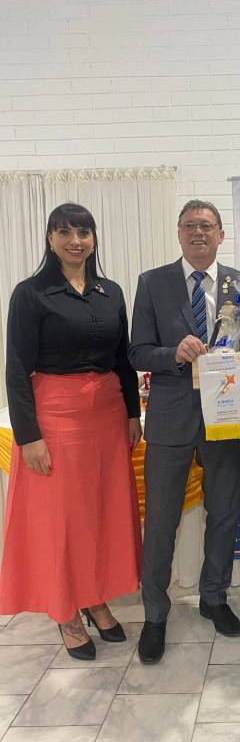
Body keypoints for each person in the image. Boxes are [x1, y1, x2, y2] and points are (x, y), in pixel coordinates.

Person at [0, 203, 142, 660]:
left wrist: (132, 413)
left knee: (99, 513)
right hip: (56, 417)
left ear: (94, 239)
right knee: (61, 520)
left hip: (106, 416)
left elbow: (123, 359)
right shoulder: (30, 293)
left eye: (82, 232)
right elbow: (16, 368)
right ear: (50, 239)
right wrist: (28, 436)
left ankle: (94, 596)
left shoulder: (110, 291)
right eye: (64, 232)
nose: (74, 241)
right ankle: (66, 611)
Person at [130, 198, 240, 664]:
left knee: (223, 514)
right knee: (162, 521)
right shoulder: (153, 282)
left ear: (221, 234)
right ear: (179, 233)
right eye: (189, 226)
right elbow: (137, 351)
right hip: (171, 418)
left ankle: (214, 599)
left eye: (206, 226)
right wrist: (172, 354)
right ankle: (155, 614)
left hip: (227, 416)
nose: (198, 232)